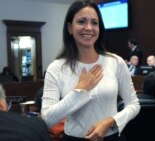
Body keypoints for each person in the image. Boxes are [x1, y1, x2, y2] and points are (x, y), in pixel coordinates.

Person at [41, 1, 140, 141]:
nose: (89, 28)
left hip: (111, 137)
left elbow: (134, 104)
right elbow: (47, 119)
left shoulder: (115, 62)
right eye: (81, 21)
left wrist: (110, 121)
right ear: (70, 27)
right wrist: (79, 91)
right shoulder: (56, 68)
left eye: (94, 23)